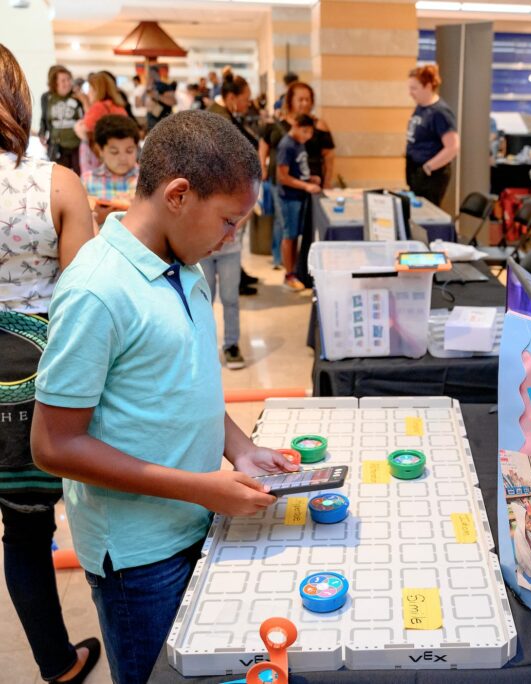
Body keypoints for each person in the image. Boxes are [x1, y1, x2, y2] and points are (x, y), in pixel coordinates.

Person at [30, 110, 300, 684]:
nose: (232, 240)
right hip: (139, 556)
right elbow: (53, 444)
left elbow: (186, 380)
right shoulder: (97, 290)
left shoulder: (182, 266)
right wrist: (201, 488)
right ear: (178, 195)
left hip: (194, 516)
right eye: (229, 222)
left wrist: (239, 449)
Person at [0, 44, 100, 684]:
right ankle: (70, 660)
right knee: (44, 532)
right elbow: (86, 302)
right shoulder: (54, 184)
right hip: (33, 385)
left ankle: (57, 664)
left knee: (21, 541)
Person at [205, 73, 257, 368]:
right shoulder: (218, 119)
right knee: (204, 297)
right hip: (203, 243)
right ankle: (205, 348)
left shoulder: (239, 175)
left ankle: (232, 344)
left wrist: (234, 223)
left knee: (229, 296)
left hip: (230, 243)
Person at [258, 81, 334, 270]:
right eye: (300, 99)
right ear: (290, 100)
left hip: (309, 182)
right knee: (285, 225)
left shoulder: (318, 125)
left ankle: (299, 267)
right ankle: (284, 265)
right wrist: (262, 167)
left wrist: (327, 181)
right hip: (283, 181)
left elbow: (329, 156)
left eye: (308, 99)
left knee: (301, 227)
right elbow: (264, 145)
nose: (304, 103)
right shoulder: (278, 124)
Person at [276, 113, 321, 292]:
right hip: (289, 197)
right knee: (290, 235)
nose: (307, 136)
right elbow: (283, 177)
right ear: (295, 126)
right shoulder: (286, 145)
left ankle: (295, 270)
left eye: (310, 133)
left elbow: (297, 169)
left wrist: (309, 178)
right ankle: (289, 274)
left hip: (299, 195)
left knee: (295, 236)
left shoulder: (299, 143)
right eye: (304, 131)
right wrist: (306, 186)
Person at [405, 64, 459, 207]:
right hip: (415, 171)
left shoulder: (440, 112)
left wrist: (427, 168)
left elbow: (453, 147)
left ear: (428, 86)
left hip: (430, 176)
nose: (410, 92)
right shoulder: (421, 107)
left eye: (414, 88)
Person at [81, 115, 140, 226]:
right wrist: (96, 219)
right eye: (114, 152)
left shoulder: (147, 177)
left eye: (129, 151)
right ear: (100, 150)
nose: (123, 158)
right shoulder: (88, 181)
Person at [73, 72, 127, 176]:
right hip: (115, 153)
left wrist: (78, 125)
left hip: (96, 155)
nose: (88, 92)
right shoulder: (118, 107)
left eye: (90, 88)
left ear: (97, 89)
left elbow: (84, 129)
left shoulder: (99, 107)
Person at [39, 65, 84, 173]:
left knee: (78, 175)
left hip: (77, 145)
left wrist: (83, 99)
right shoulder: (47, 97)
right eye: (63, 80)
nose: (67, 83)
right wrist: (42, 133)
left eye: (69, 79)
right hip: (57, 145)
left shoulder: (77, 96)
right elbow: (44, 118)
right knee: (60, 174)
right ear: (55, 83)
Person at [145, 64, 176, 131]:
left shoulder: (164, 86)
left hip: (163, 118)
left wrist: (157, 96)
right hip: (152, 116)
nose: (150, 76)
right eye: (149, 74)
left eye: (152, 74)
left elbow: (173, 102)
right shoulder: (149, 86)